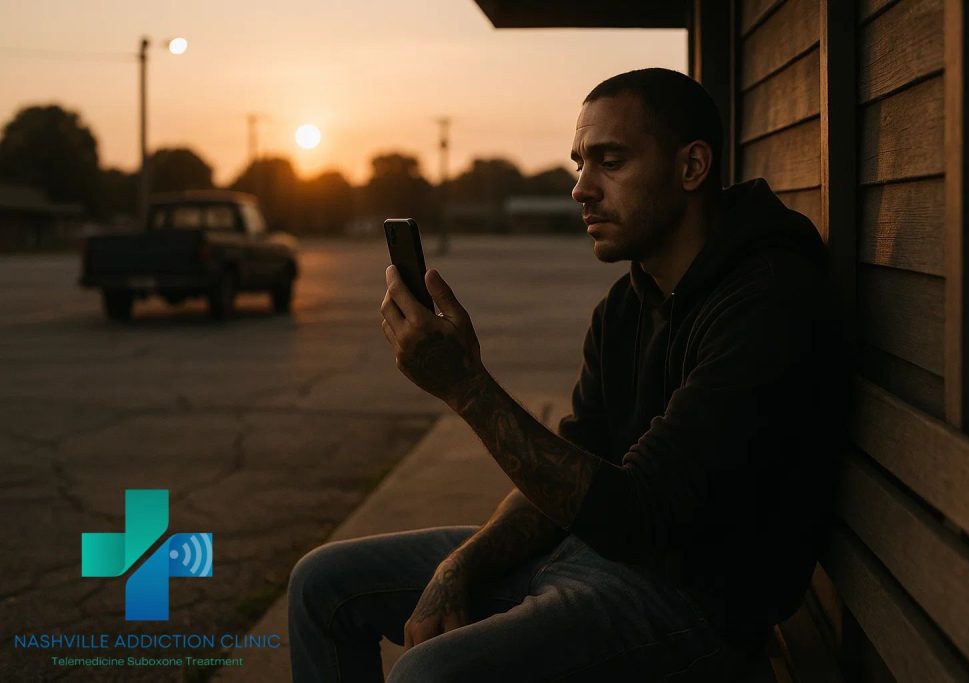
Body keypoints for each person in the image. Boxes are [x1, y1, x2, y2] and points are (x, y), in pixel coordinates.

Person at [289, 67, 848, 682]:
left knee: (429, 674)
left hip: (693, 604)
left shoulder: (766, 301)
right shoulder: (627, 307)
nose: (581, 188)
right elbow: (573, 463)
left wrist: (466, 387)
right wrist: (461, 565)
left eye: (610, 161)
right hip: (588, 556)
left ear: (691, 168)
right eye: (580, 162)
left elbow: (641, 515)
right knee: (323, 584)